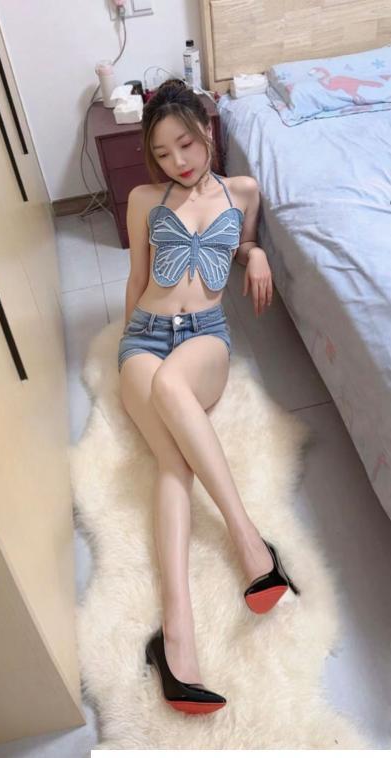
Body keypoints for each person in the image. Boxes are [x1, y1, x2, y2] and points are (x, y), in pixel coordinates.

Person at [117, 79, 299, 714]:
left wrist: (255, 252)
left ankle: (246, 542)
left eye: (187, 144)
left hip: (205, 339)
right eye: (162, 153)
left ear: (207, 132)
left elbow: (238, 243)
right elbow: (137, 278)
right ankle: (177, 640)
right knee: (173, 463)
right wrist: (126, 350)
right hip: (145, 336)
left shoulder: (241, 191)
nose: (178, 161)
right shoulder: (144, 199)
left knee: (173, 387)